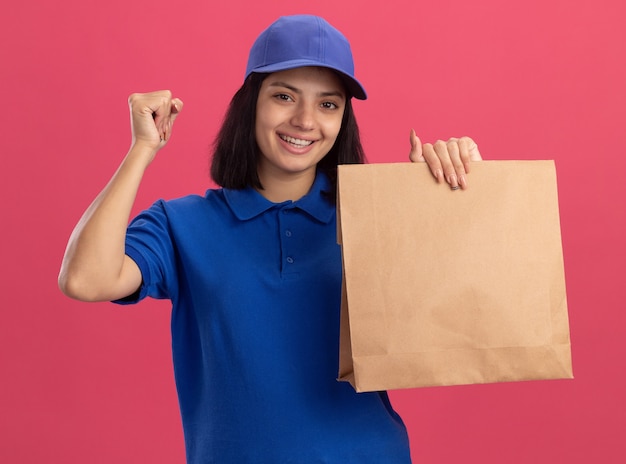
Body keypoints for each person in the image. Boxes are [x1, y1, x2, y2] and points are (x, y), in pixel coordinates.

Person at [59, 14, 481, 463]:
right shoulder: (181, 224)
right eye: (284, 96)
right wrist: (142, 149)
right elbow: (86, 280)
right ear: (250, 104)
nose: (304, 121)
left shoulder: (372, 217)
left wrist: (440, 201)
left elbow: (447, 320)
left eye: (328, 104)